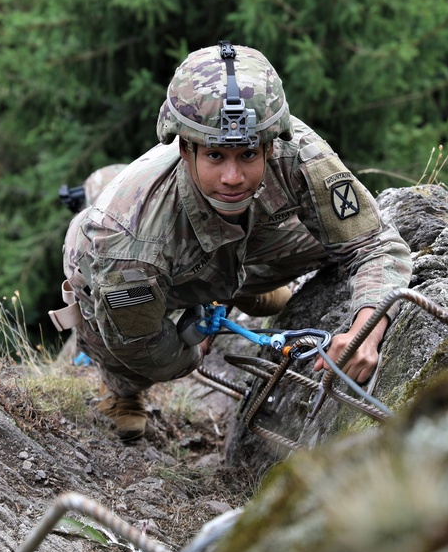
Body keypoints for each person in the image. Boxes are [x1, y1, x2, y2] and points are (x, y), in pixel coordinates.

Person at [49, 41, 413, 442]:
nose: (233, 177)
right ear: (185, 149)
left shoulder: (296, 152)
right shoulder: (126, 243)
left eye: (248, 155)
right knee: (124, 340)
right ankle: (122, 393)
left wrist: (366, 330)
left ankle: (240, 291)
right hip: (129, 267)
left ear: (270, 145)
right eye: (216, 156)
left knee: (330, 238)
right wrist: (192, 347)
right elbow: (143, 346)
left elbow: (373, 244)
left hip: (241, 245)